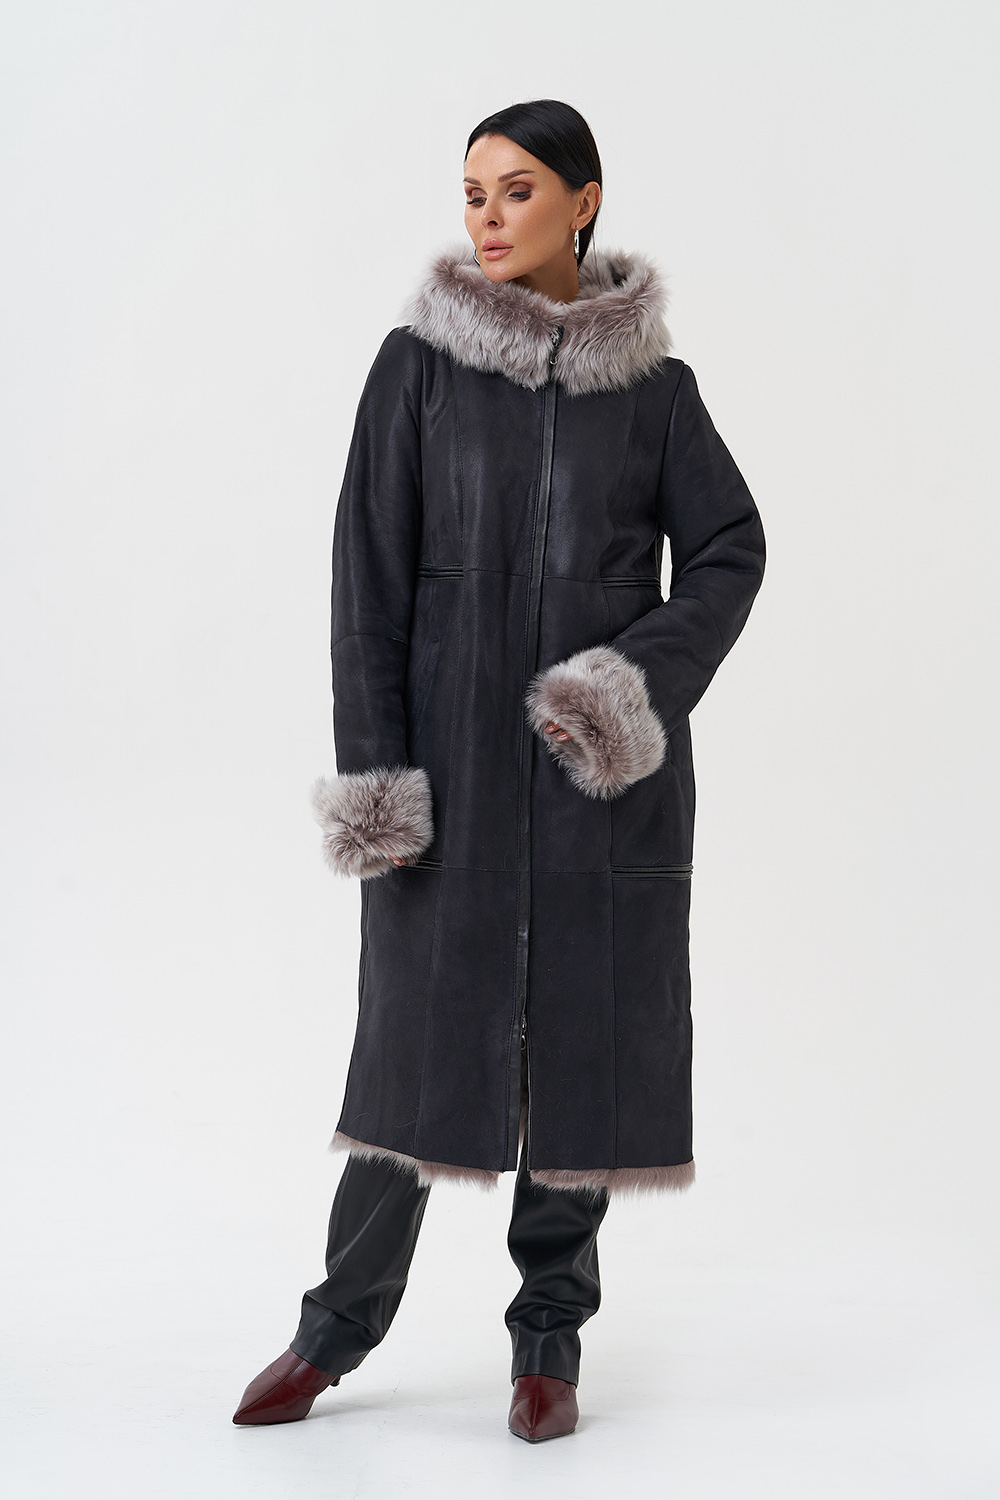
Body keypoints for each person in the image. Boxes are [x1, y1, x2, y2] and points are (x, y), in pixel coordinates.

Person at [233, 98, 766, 1443]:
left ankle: (549, 1341)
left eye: (517, 190)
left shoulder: (657, 396)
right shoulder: (417, 370)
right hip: (449, 774)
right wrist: (379, 779)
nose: (486, 215)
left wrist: (625, 687)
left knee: (582, 1050)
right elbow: (367, 588)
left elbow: (730, 551)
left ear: (585, 202)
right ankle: (334, 1328)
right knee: (414, 1057)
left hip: (600, 786)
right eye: (472, 191)